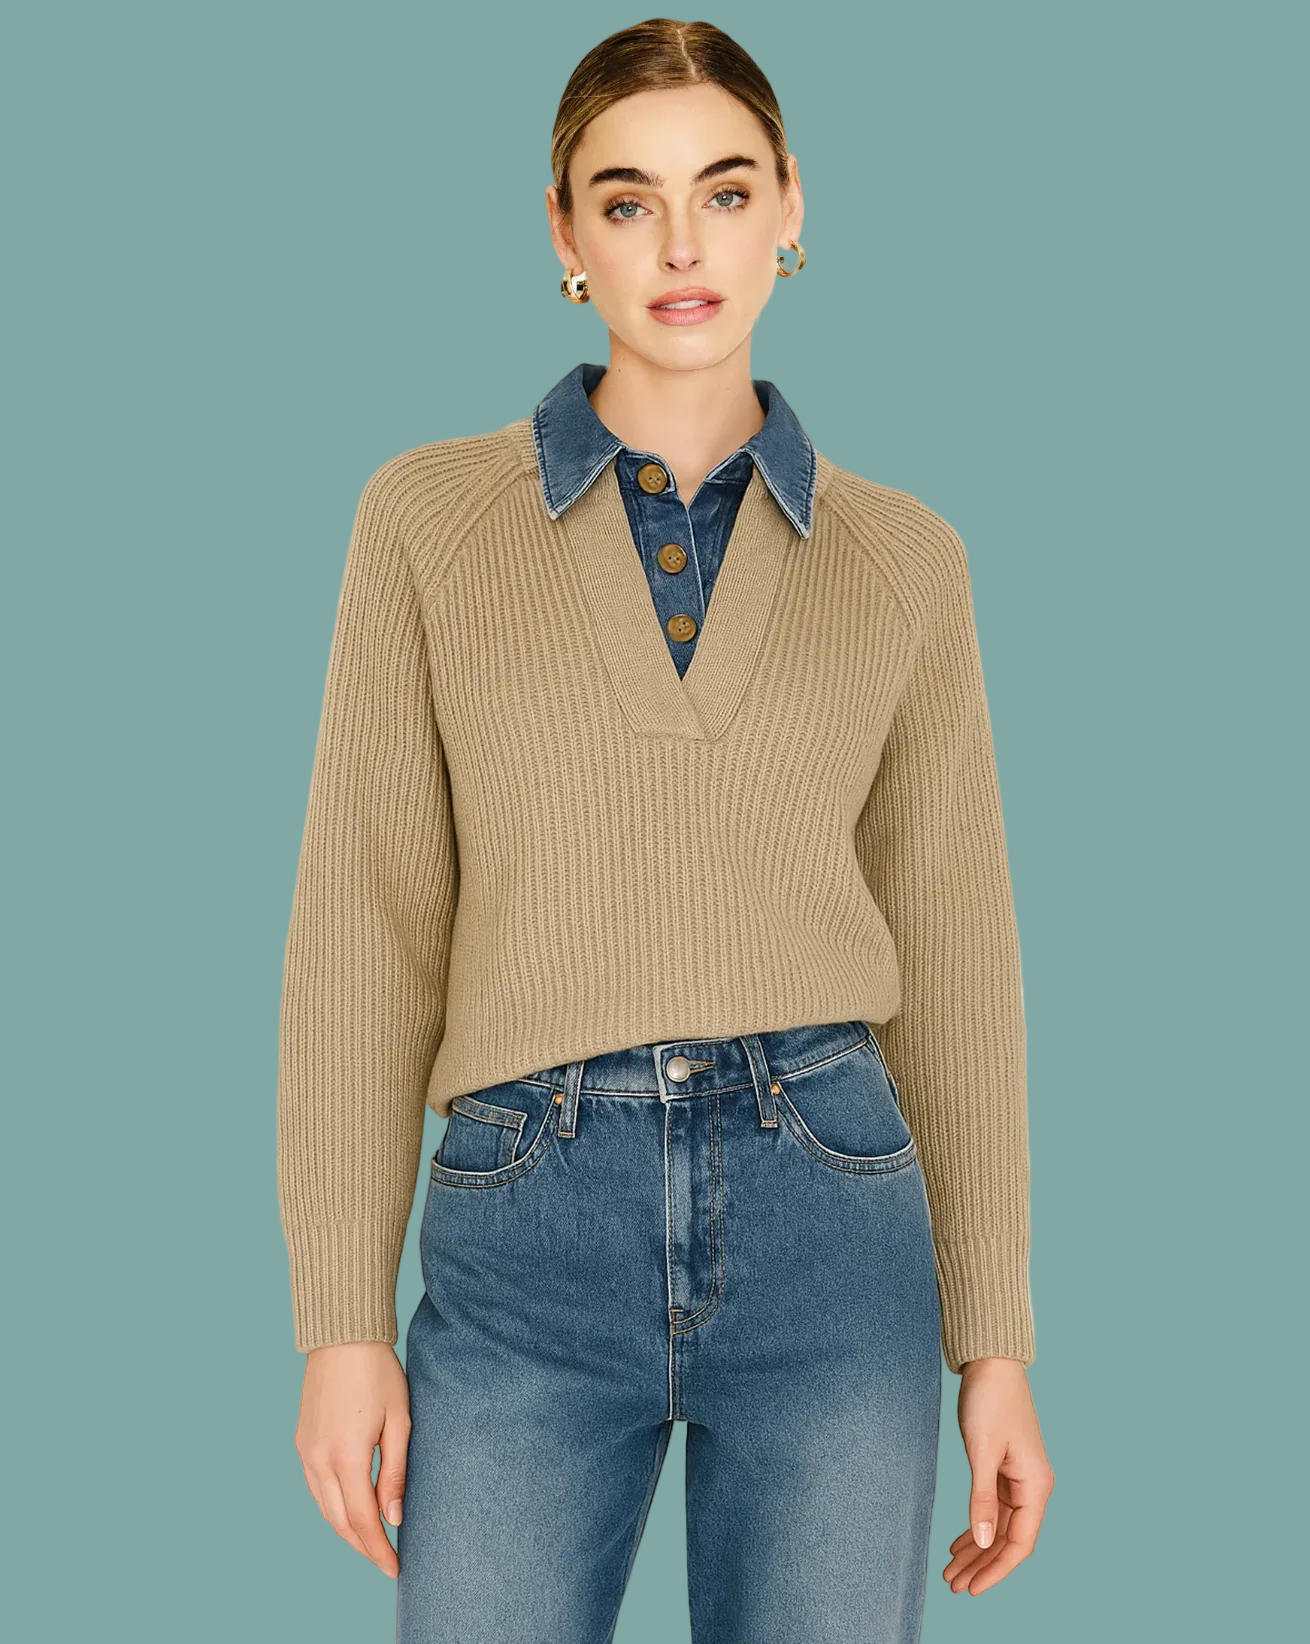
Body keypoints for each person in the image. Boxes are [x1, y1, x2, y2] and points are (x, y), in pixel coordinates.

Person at [277, 17, 1055, 1642]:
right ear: (564, 231)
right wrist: (339, 1322)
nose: (680, 245)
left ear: (791, 207)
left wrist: (995, 1345)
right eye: (626, 200)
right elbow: (366, 923)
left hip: (831, 1208)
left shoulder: (906, 562)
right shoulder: (424, 522)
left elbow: (959, 961)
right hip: (522, 1220)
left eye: (725, 190)